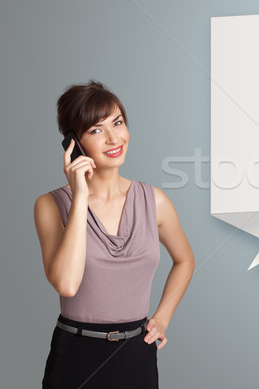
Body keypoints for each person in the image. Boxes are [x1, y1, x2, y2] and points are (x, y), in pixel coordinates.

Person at [33, 80, 196, 388]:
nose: (113, 138)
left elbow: (185, 260)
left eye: (118, 123)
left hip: (137, 354)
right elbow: (66, 285)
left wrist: (162, 318)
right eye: (96, 130)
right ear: (74, 143)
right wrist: (80, 196)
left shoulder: (155, 201)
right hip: (74, 356)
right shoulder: (50, 205)